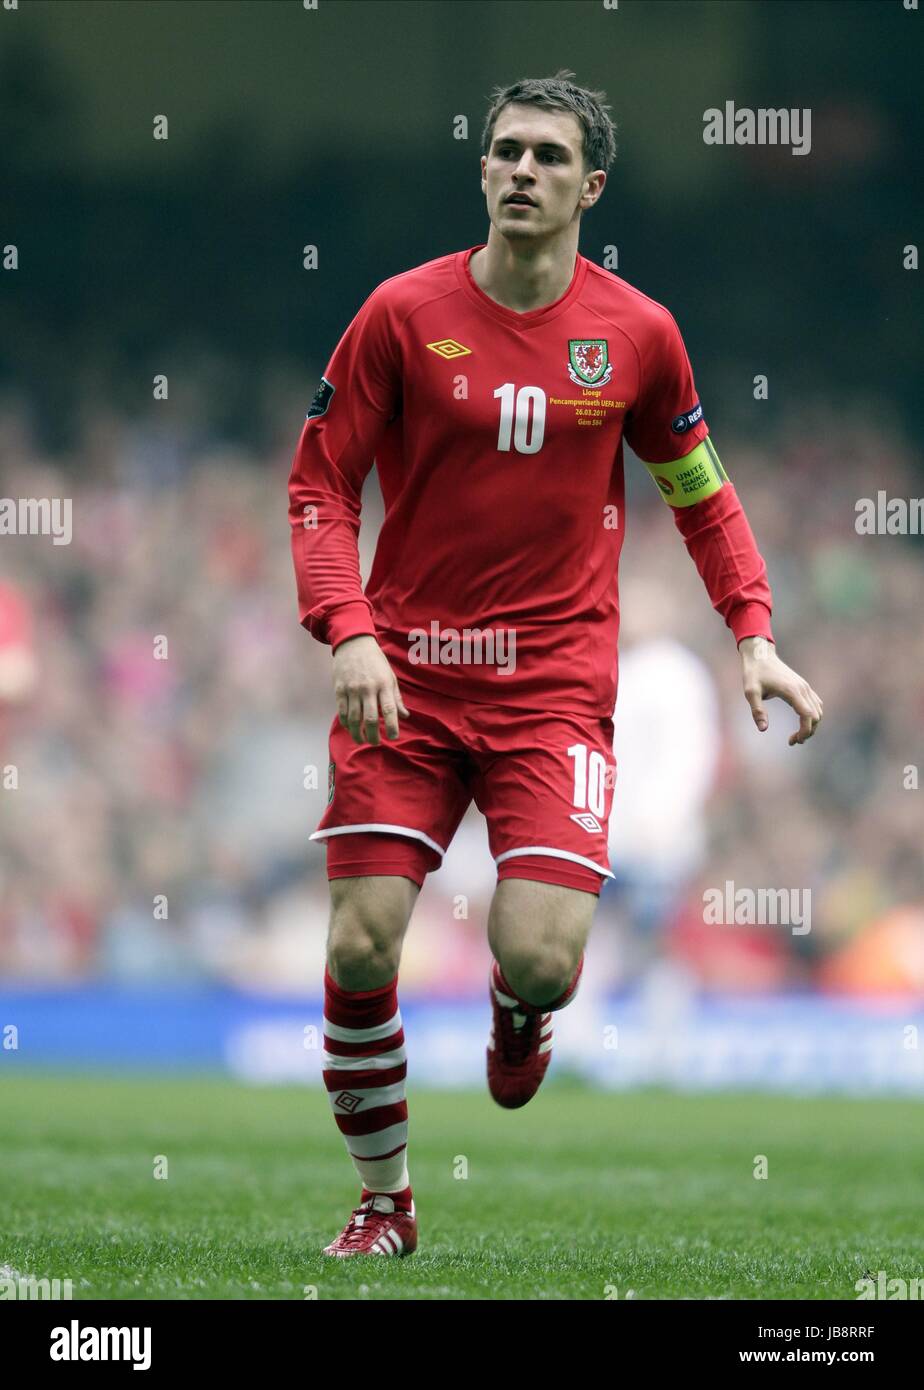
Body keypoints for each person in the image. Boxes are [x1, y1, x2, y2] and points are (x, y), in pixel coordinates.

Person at [287, 70, 823, 1259]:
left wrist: (753, 630)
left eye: (548, 156)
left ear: (592, 188)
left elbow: (700, 493)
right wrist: (350, 628)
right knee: (360, 942)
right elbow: (320, 483)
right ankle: (385, 1202)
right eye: (506, 151)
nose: (522, 170)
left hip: (553, 693)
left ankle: (521, 1010)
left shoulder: (639, 335)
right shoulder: (399, 314)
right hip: (409, 676)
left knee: (539, 954)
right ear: (481, 169)